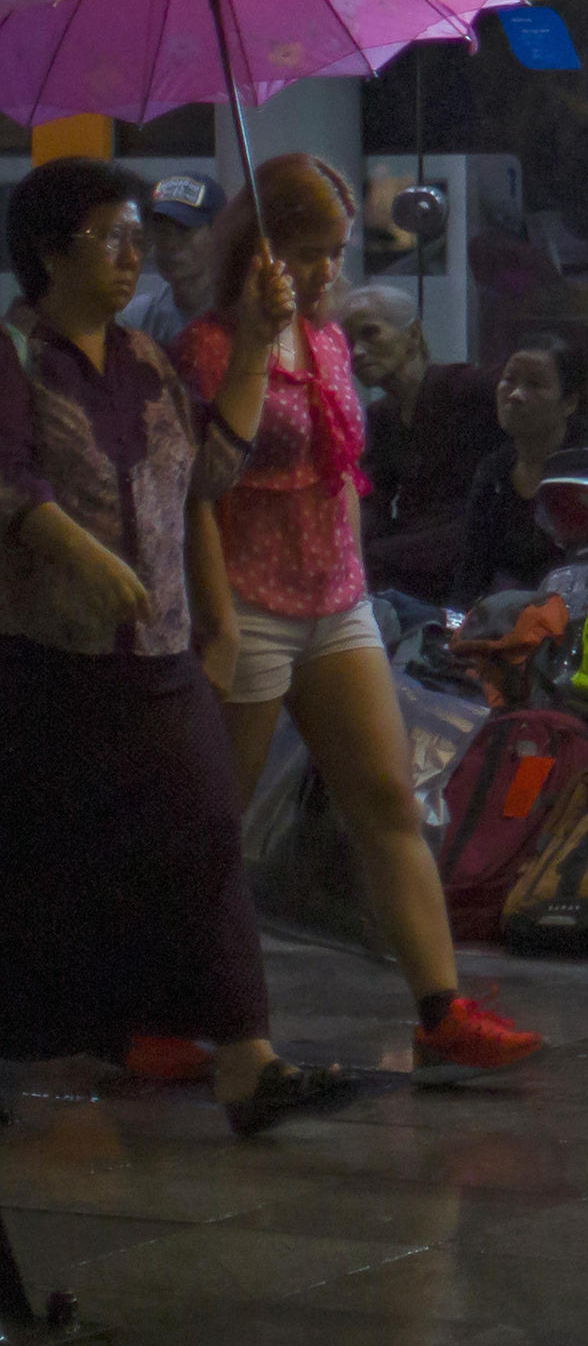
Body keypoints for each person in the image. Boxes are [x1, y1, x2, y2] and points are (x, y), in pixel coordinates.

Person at [0, 156, 355, 1133]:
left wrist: (254, 343)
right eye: (108, 239)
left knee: (205, 834)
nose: (131, 257)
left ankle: (247, 1059)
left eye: (136, 239)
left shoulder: (145, 360)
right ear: (48, 251)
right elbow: (11, 480)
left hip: (156, 657)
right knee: (46, 867)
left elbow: (206, 477)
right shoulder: (18, 357)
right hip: (49, 663)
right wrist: (72, 549)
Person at [176, 158, 543, 1081]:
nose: (324, 273)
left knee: (385, 800)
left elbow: (342, 473)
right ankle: (180, 1009)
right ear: (260, 252)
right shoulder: (216, 348)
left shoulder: (330, 343)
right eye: (308, 254)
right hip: (252, 603)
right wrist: (257, 346)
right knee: (217, 820)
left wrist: (360, 582)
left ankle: (440, 1006)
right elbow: (205, 484)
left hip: (334, 600)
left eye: (334, 254)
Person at [346, 283, 508, 599]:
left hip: (467, 545)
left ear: (413, 335)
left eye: (370, 334)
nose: (357, 352)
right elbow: (371, 498)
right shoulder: (379, 418)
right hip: (410, 550)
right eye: (348, 342)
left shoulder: (467, 388)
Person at [450, 333, 588, 606]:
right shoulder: (494, 472)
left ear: (569, 402)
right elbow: (470, 572)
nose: (514, 395)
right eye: (509, 380)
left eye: (535, 384)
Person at [115, 170, 217, 344]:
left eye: (183, 229)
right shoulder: (138, 318)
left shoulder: (242, 314)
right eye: (161, 231)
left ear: (217, 232)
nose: (169, 243)